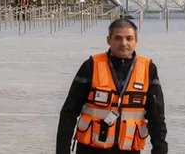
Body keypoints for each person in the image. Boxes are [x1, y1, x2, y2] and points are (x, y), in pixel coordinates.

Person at [56, 18, 166, 154]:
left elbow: (157, 116)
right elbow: (69, 112)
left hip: (128, 150)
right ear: (109, 40)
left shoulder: (148, 69)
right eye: (118, 38)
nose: (124, 43)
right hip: (91, 149)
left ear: (136, 40)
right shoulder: (91, 66)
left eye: (129, 38)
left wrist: (160, 149)